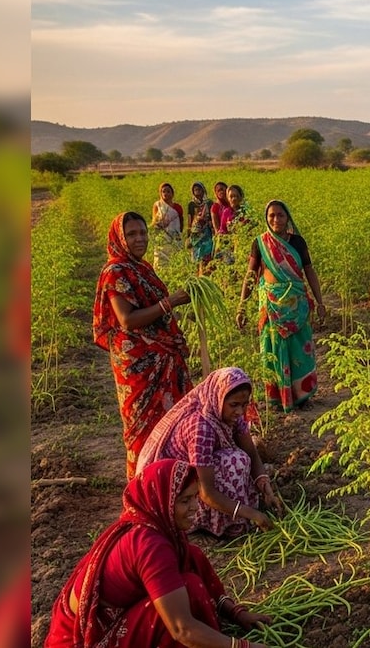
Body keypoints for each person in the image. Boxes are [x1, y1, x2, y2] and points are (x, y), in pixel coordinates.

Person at [44, 459, 273, 648]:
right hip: (80, 641)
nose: (195, 507)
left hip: (113, 617)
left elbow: (194, 567)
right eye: (185, 500)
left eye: (195, 497)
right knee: (171, 612)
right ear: (162, 501)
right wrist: (242, 646)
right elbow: (181, 629)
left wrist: (236, 613)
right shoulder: (149, 544)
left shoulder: (163, 529)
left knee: (191, 567)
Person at [93, 212, 193, 479]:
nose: (140, 239)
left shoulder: (143, 268)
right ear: (119, 238)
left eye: (143, 233)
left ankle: (171, 484)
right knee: (144, 429)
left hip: (161, 356)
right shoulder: (115, 271)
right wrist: (170, 302)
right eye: (132, 234)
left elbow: (154, 314)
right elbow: (127, 319)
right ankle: (145, 487)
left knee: (171, 425)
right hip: (139, 365)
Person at [136, 367, 282, 537]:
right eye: (234, 405)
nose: (240, 411)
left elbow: (252, 453)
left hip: (202, 481)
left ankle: (237, 514)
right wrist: (253, 514)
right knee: (234, 462)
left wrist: (267, 489)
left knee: (241, 458)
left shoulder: (233, 416)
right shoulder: (200, 428)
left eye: (244, 404)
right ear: (218, 399)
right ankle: (219, 523)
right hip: (182, 499)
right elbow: (206, 492)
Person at [236, 200, 326, 412]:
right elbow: (250, 275)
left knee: (300, 350)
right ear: (266, 219)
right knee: (272, 350)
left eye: (280, 215)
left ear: (288, 218)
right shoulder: (260, 243)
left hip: (297, 306)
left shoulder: (298, 242)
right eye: (271, 216)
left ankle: (301, 396)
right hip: (271, 306)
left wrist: (320, 301)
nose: (276, 219)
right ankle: (277, 397)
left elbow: (309, 271)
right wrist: (242, 305)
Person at [150, 182, 183, 270]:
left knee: (175, 258)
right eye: (163, 191)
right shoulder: (157, 205)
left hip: (174, 237)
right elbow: (154, 221)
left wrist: (179, 235)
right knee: (161, 260)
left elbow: (180, 222)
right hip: (162, 237)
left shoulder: (177, 207)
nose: (166, 193)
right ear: (160, 193)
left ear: (172, 194)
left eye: (168, 191)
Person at [184, 181, 215, 270]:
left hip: (207, 232)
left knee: (207, 251)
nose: (197, 191)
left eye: (199, 189)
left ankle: (206, 270)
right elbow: (189, 220)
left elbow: (212, 217)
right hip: (195, 233)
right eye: (195, 189)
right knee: (196, 254)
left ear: (203, 190)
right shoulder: (191, 204)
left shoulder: (209, 203)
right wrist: (188, 235)